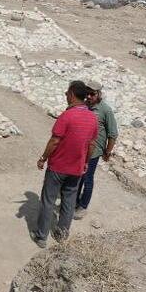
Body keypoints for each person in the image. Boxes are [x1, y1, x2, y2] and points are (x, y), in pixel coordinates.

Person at [31, 81, 98, 248]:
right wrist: (86, 163)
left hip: (58, 166)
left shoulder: (66, 116)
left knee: (48, 200)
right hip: (76, 169)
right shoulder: (92, 118)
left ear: (73, 94)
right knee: (69, 201)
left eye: (67, 92)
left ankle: (41, 237)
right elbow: (92, 144)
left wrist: (43, 158)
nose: (65, 95)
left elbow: (54, 141)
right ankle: (61, 235)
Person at [75, 80, 119, 220]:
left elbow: (113, 133)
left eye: (92, 94)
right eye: (87, 93)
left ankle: (83, 205)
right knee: (77, 176)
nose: (89, 96)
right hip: (80, 148)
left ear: (99, 94)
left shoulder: (105, 110)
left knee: (87, 178)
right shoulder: (84, 106)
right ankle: (73, 202)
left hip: (94, 151)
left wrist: (108, 151)